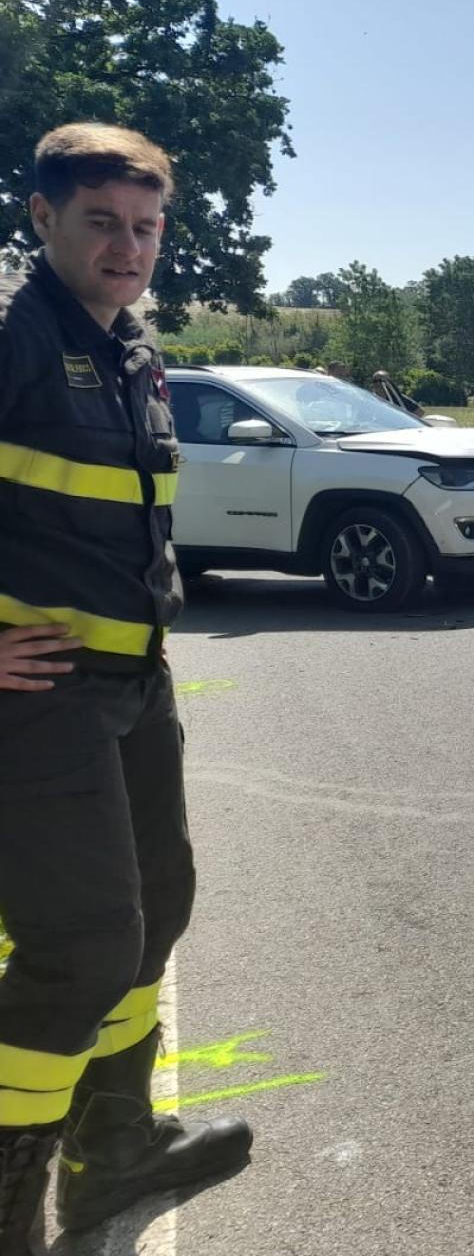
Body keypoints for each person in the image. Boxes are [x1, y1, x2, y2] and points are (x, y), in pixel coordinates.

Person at [0, 123, 251, 1252]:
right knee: (82, 945)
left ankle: (115, 1152)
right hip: (36, 698)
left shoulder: (133, 351)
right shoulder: (12, 334)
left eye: (146, 227)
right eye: (101, 220)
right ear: (42, 217)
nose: (127, 245)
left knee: (158, 912)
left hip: (133, 688)